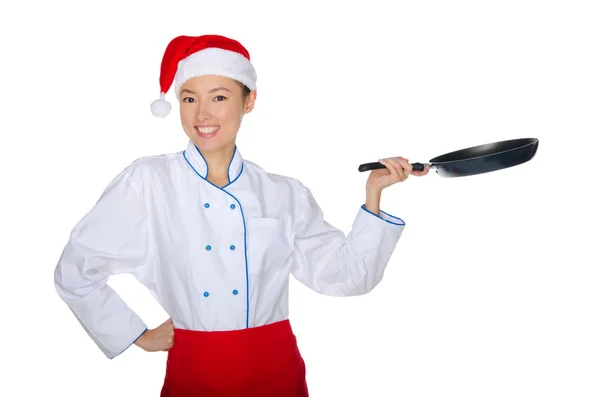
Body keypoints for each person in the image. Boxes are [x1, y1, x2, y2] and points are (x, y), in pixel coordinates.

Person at [53, 34, 429, 396]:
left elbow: (348, 277)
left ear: (248, 102)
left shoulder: (284, 193)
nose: (203, 114)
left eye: (219, 97)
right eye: (189, 99)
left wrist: (374, 194)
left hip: (276, 368)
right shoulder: (148, 181)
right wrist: (135, 334)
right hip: (194, 371)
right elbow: (76, 269)